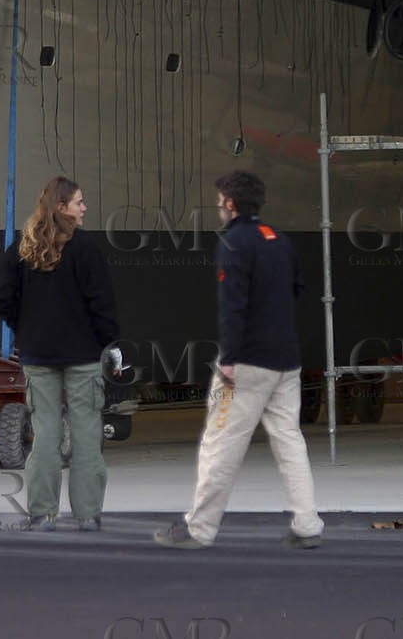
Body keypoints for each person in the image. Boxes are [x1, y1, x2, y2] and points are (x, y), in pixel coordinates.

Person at [155, 170, 323, 551]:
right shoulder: (278, 239)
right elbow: (298, 287)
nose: (217, 206)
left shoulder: (233, 243)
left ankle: (199, 528)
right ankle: (308, 523)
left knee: (220, 440)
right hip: (287, 362)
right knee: (290, 442)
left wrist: (229, 359)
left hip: (244, 367)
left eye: (219, 200)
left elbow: (233, 305)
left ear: (230, 203)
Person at [0, 176, 119, 532]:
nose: (84, 207)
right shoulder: (86, 250)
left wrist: (26, 329)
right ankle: (88, 514)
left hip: (38, 355)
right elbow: (102, 304)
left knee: (45, 434)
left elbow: (2, 299)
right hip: (83, 355)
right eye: (79, 202)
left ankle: (41, 512)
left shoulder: (21, 248)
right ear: (62, 207)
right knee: (86, 435)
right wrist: (109, 342)